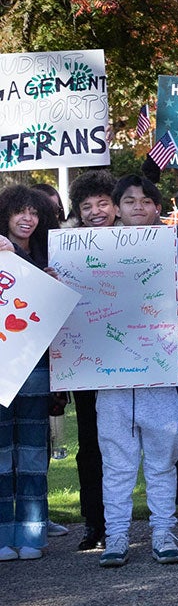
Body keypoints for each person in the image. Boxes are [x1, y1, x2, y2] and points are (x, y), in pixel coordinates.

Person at [97, 165, 178, 567]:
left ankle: (163, 532)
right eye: (129, 201)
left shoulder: (167, 249)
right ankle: (116, 538)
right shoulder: (90, 249)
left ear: (157, 207)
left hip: (159, 375)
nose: (138, 207)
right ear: (117, 208)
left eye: (146, 201)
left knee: (163, 460)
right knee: (117, 463)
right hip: (109, 378)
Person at [0, 186, 61, 561]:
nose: (28, 219)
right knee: (2, 452)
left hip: (36, 364)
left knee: (34, 452)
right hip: (3, 365)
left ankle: (33, 535)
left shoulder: (44, 255)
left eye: (34, 212)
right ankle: (3, 535)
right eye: (20, 211)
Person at [64, 169, 118, 551]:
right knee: (90, 444)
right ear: (79, 212)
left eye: (103, 203)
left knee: (129, 444)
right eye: (88, 207)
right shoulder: (65, 246)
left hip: (135, 357)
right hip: (84, 360)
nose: (96, 211)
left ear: (115, 206)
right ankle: (94, 523)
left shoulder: (139, 240)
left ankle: (124, 522)